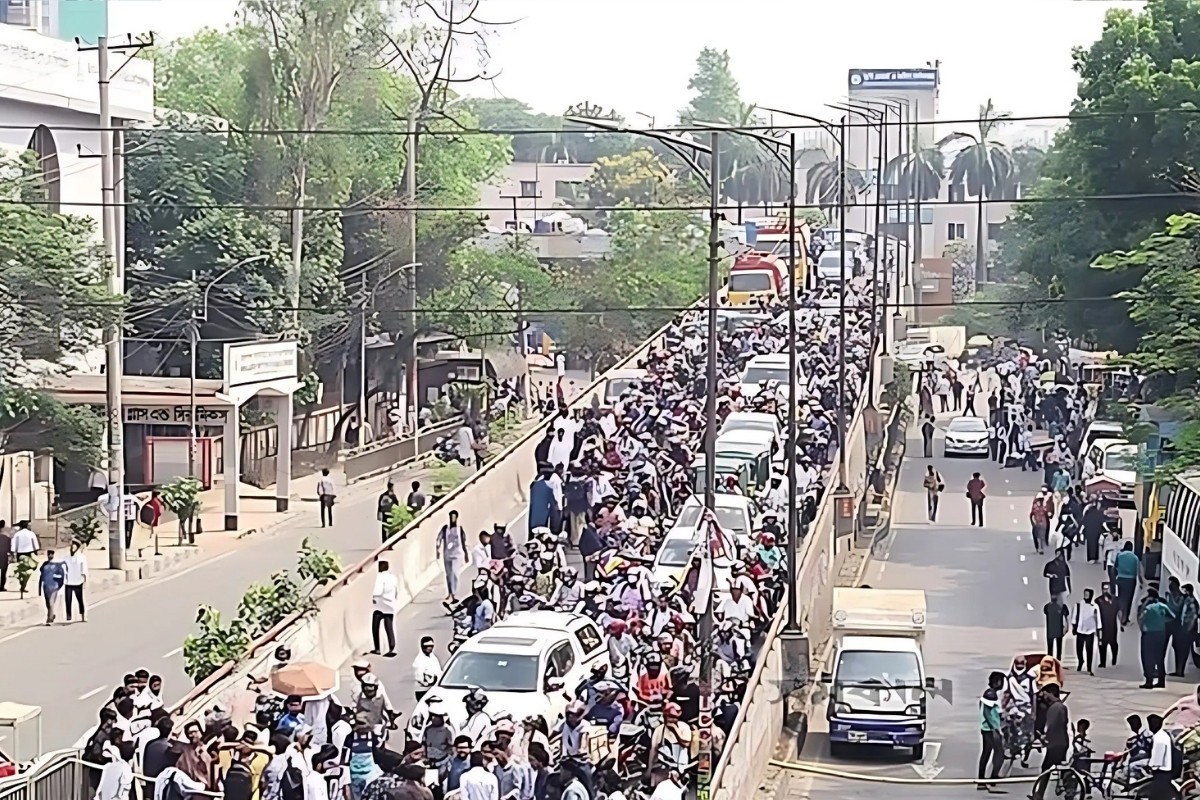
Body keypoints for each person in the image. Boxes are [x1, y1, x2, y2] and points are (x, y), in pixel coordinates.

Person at [1029, 684, 1069, 800]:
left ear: (1051, 693)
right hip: (1060, 742)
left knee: (1047, 768)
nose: (1044, 697)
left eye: (1045, 694)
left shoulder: (1055, 708)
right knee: (1057, 767)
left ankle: (1040, 794)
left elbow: (1052, 726)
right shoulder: (1060, 706)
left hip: (1056, 743)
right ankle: (1041, 793)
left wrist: (1044, 738)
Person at [1140, 587, 1175, 689]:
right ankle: (1161, 681)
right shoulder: (1163, 606)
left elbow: (1141, 617)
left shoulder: (1148, 608)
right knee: (1159, 658)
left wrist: (1142, 628)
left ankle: (1149, 681)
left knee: (1148, 657)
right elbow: (1172, 616)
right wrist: (1162, 621)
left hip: (1149, 634)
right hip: (1160, 633)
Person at [978, 671, 1005, 791]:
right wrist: (996, 728)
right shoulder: (990, 694)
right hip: (990, 729)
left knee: (987, 753)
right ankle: (992, 778)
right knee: (998, 753)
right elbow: (988, 714)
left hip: (988, 728)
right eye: (1001, 681)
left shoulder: (991, 694)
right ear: (996, 682)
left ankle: (983, 779)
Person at [436, 510, 468, 604]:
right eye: (451, 517)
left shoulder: (459, 529)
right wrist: (437, 549)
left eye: (454, 517)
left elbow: (463, 542)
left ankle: (454, 593)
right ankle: (450, 593)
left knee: (455, 573)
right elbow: (439, 538)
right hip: (447, 555)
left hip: (457, 555)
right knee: (448, 575)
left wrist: (465, 554)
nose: (452, 519)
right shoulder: (445, 529)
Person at [371, 560, 398, 657]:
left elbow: (377, 591)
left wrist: (373, 598)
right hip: (390, 606)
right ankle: (392, 647)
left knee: (375, 627)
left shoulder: (380, 577)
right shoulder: (393, 577)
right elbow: (396, 591)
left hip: (380, 605)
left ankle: (377, 648)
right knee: (389, 627)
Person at [1073, 588, 1101, 675]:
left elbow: (1098, 619)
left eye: (1087, 595)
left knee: (1089, 650)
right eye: (1085, 594)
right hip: (1080, 630)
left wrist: (1099, 629)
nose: (1086, 596)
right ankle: (1080, 660)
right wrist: (1074, 626)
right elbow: (1074, 616)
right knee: (1079, 649)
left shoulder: (1095, 606)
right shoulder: (1079, 605)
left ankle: (1089, 667)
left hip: (1090, 631)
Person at [1146, 713, 1174, 800]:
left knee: (1156, 795)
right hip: (1164, 770)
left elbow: (1158, 759)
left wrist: (1149, 766)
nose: (1150, 727)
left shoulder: (1159, 738)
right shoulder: (1162, 735)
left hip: (1161, 771)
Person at [1114, 542, 1140, 626]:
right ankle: (1125, 619)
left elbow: (1115, 566)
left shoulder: (1119, 555)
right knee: (1128, 600)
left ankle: (1120, 615)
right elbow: (1138, 570)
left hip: (1121, 578)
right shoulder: (1135, 557)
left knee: (1121, 598)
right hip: (1131, 581)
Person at [36, 549, 65, 625]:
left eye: (51, 554)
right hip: (46, 586)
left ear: (53, 555)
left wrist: (59, 585)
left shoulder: (57, 565)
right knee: (47, 604)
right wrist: (39, 589)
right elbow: (41, 575)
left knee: (51, 602)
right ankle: (51, 615)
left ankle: (49, 619)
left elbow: (62, 576)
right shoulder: (44, 564)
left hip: (54, 586)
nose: (50, 555)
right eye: (49, 554)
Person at [62, 540, 88, 622]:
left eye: (74, 547)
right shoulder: (67, 558)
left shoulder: (81, 557)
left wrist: (84, 581)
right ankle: (68, 616)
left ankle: (83, 615)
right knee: (68, 600)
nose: (72, 549)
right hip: (68, 582)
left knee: (80, 600)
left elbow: (84, 570)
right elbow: (63, 568)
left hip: (78, 582)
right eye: (72, 547)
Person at [412, 636, 442, 703]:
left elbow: (438, 671)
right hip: (423, 691)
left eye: (431, 646)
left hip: (433, 689)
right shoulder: (419, 660)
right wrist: (430, 680)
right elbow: (419, 678)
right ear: (422, 646)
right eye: (427, 646)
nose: (429, 648)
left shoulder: (433, 657)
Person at [1097, 583, 1120, 668]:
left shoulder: (1115, 600)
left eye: (1107, 589)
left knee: (1113, 644)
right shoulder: (1098, 600)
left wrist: (1122, 623)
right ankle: (1102, 662)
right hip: (1102, 626)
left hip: (1112, 626)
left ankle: (1114, 660)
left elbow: (1119, 612)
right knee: (1102, 644)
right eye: (1104, 589)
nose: (1105, 591)